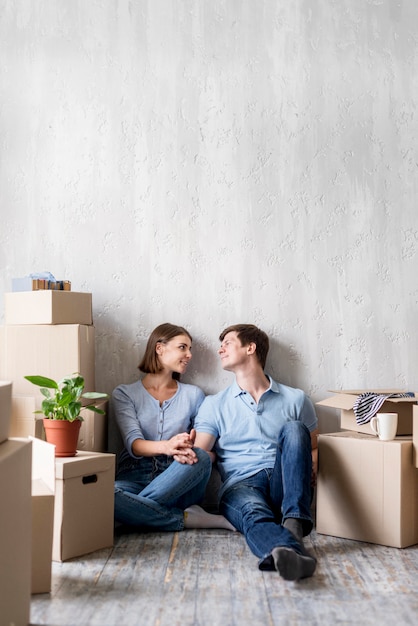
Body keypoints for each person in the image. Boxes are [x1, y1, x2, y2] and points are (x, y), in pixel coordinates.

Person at [194, 324, 319, 581]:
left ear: (250, 348)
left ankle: (293, 522)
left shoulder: (296, 399)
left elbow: (313, 446)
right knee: (253, 515)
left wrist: (309, 471)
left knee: (295, 429)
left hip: (284, 484)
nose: (220, 349)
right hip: (240, 486)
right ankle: (286, 551)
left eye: (228, 342)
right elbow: (200, 453)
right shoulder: (214, 404)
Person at [113, 322, 235, 532]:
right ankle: (187, 518)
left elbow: (210, 455)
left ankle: (132, 514)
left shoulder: (194, 395)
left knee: (202, 457)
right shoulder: (124, 394)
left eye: (190, 349)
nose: (189, 354)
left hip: (178, 478)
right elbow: (134, 444)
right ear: (159, 348)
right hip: (133, 475)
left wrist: (193, 450)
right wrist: (167, 446)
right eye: (182, 347)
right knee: (105, 496)